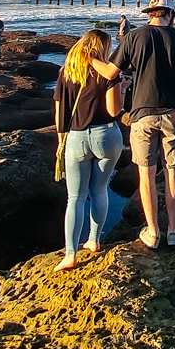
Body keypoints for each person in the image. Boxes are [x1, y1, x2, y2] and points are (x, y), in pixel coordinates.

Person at [109, 0, 175, 250]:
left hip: (142, 114)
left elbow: (113, 72)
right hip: (174, 113)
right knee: (173, 171)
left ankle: (152, 231)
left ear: (150, 13)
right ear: (171, 14)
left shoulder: (134, 36)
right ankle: (173, 230)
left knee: (146, 174)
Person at [53, 30, 126, 271]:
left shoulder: (66, 72)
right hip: (106, 135)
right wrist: (120, 87)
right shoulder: (108, 73)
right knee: (99, 190)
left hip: (76, 137)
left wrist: (61, 140)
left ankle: (70, 254)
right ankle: (94, 240)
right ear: (102, 48)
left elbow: (59, 112)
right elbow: (115, 110)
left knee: (75, 198)